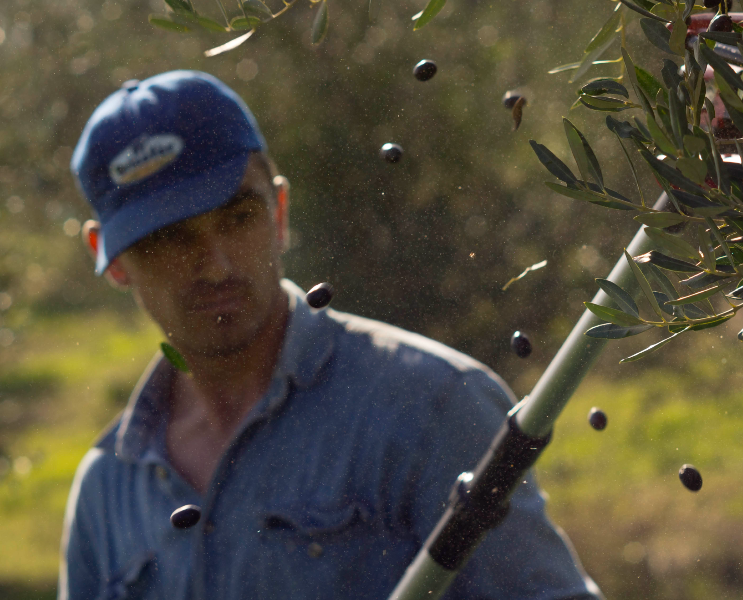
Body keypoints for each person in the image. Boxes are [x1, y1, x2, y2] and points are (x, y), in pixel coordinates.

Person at [59, 70, 601, 600]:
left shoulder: (431, 407)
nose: (217, 264)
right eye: (171, 238)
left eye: (238, 218)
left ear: (278, 213)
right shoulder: (106, 489)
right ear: (111, 259)